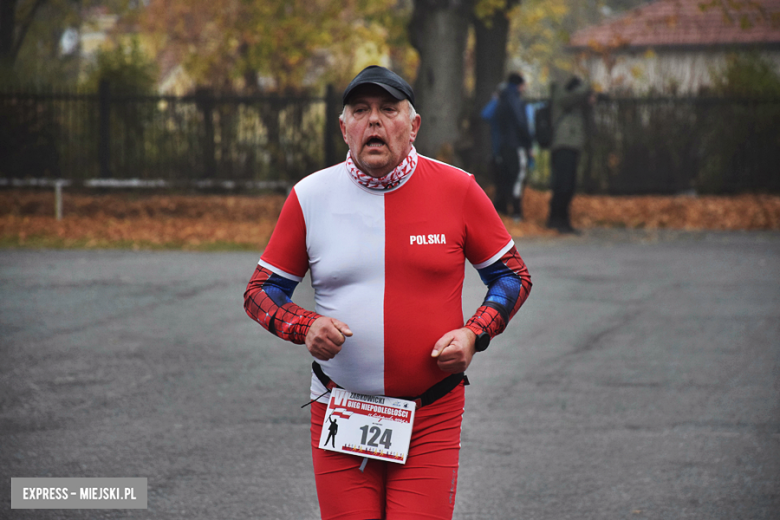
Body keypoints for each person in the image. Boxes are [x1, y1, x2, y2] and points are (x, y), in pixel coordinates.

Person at [244, 65, 532, 520]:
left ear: (413, 125)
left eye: (388, 109)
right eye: (360, 111)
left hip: (431, 413)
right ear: (344, 129)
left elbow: (512, 276)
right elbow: (261, 292)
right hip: (340, 408)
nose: (373, 121)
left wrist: (475, 334)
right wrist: (305, 326)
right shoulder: (310, 196)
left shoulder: (458, 189)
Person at [546, 75, 595, 233]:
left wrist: (590, 103)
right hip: (562, 146)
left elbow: (590, 123)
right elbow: (572, 97)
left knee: (569, 185)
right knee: (563, 185)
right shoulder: (562, 97)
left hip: (572, 146)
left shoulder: (577, 105)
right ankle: (557, 220)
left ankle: (561, 220)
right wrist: (587, 87)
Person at [493, 72, 533, 221]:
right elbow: (521, 122)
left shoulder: (501, 99)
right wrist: (528, 142)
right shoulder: (515, 99)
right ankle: (517, 211)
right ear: (519, 85)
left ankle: (502, 208)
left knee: (505, 176)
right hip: (516, 144)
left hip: (503, 144)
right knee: (518, 176)